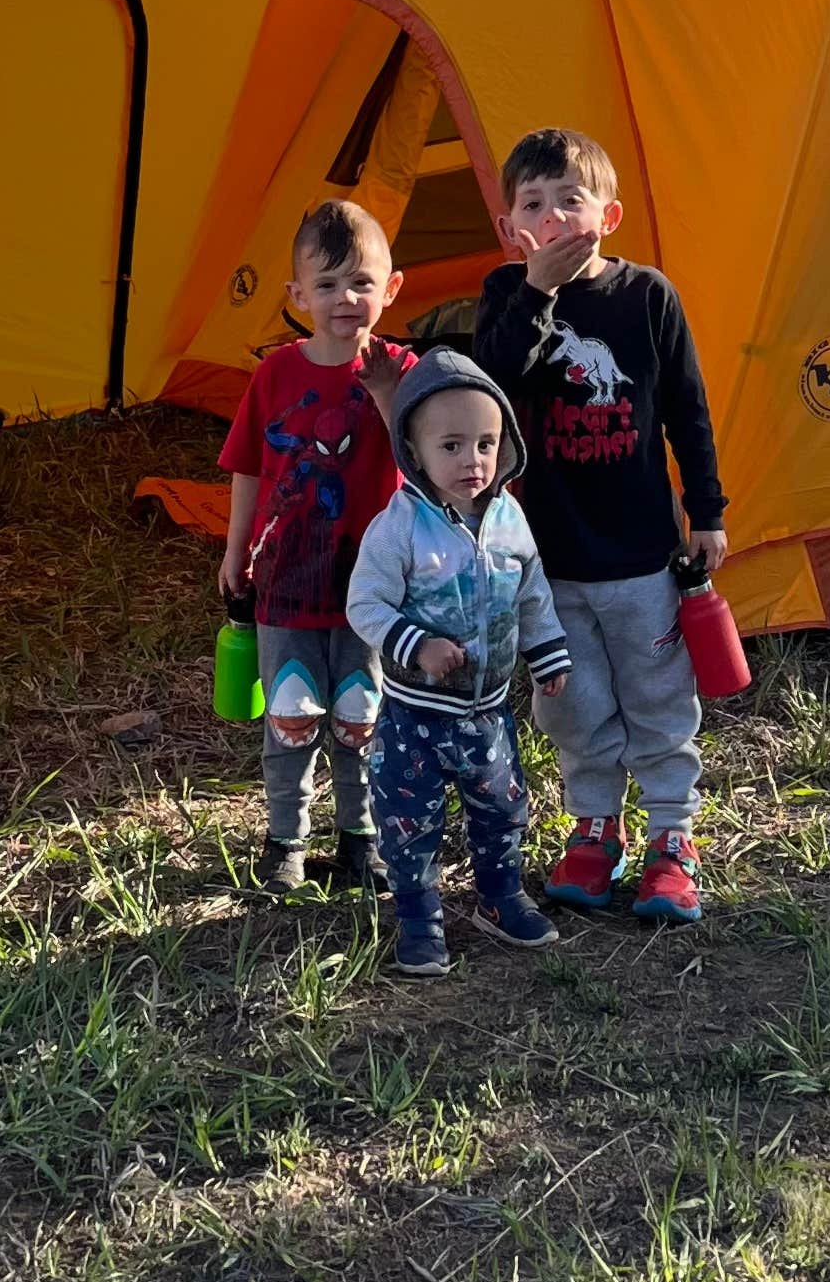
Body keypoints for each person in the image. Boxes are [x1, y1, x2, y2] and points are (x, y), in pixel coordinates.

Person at [471, 126, 726, 928]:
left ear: (607, 217)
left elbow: (686, 408)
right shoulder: (505, 295)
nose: (551, 218)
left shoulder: (647, 296)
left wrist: (707, 511)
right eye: (532, 205)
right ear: (510, 226)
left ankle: (671, 835)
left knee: (657, 692)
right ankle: (593, 826)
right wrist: (536, 292)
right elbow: (489, 390)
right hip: (549, 555)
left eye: (568, 201)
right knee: (572, 700)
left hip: (642, 550)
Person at [345, 348, 570, 978]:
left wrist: (546, 653)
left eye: (485, 444)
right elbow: (364, 603)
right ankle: (419, 917)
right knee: (408, 819)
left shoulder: (509, 518)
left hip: (487, 712)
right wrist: (416, 645)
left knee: (502, 808)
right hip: (415, 715)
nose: (472, 461)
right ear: (414, 453)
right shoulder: (400, 526)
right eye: (451, 446)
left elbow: (532, 592)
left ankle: (500, 897)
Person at [216, 199, 410, 895]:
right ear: (297, 297)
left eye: (361, 282)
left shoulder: (401, 368)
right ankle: (286, 841)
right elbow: (247, 467)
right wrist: (235, 550)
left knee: (363, 714)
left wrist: (386, 392)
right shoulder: (275, 375)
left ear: (391, 289)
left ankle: (362, 839)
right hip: (287, 576)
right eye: (326, 285)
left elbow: (425, 458)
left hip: (373, 582)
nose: (345, 299)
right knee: (291, 714)